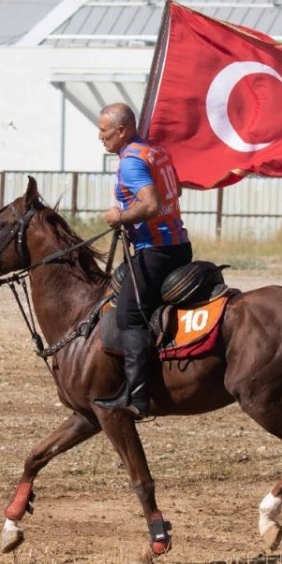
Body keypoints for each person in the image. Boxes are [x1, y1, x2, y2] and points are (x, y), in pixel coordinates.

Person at [94, 103, 192, 419]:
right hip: (179, 244)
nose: (100, 137)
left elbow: (150, 204)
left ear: (122, 130)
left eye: (104, 130)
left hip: (156, 251)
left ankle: (138, 397)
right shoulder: (155, 152)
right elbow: (175, 189)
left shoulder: (131, 163)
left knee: (130, 316)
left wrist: (120, 216)